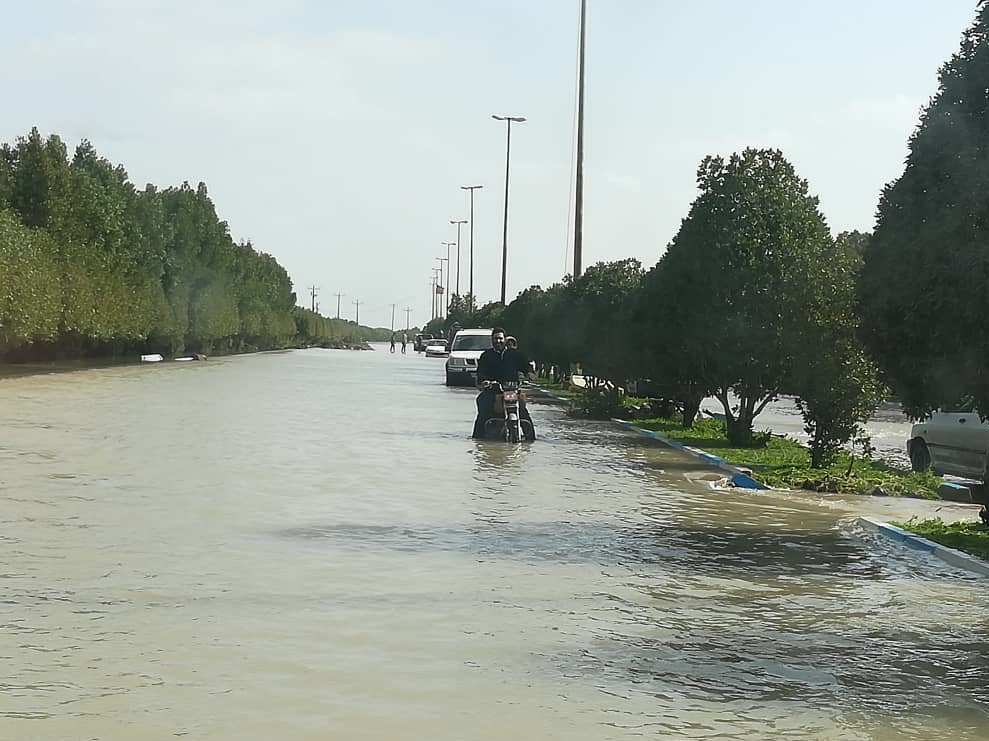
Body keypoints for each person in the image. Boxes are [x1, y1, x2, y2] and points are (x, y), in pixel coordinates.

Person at [472, 327, 536, 439]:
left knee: (523, 412)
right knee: (483, 412)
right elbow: (481, 372)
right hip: (493, 392)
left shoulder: (515, 354)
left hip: (512, 391)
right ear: (492, 340)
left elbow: (526, 365)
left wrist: (530, 373)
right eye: (495, 339)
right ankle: (477, 439)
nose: (498, 341)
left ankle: (531, 438)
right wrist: (484, 381)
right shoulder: (486, 356)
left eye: (500, 338)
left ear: (505, 339)